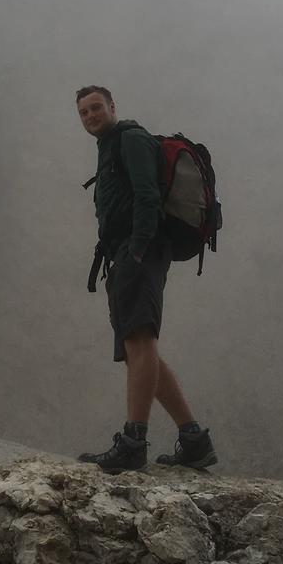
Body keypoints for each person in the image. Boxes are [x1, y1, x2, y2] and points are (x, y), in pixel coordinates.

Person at [75, 84, 217, 473]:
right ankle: (194, 440)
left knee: (139, 339)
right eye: (84, 112)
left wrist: (136, 250)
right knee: (140, 345)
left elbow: (146, 195)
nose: (90, 116)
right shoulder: (110, 146)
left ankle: (133, 442)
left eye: (96, 108)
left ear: (112, 106)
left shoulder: (131, 140)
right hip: (130, 252)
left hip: (140, 251)